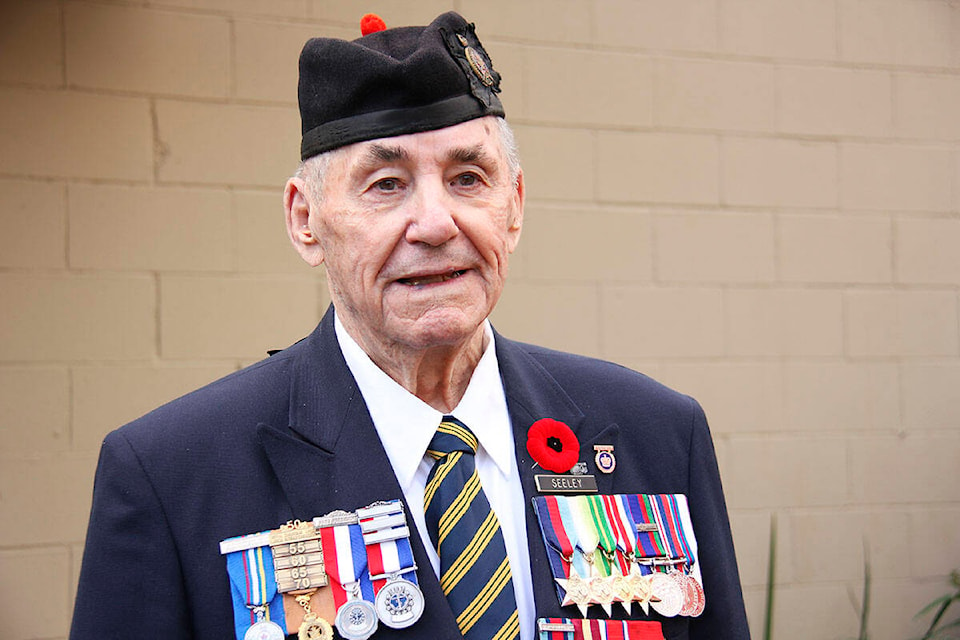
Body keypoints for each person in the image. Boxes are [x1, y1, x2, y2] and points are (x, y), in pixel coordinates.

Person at [70, 11, 749, 640]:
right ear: (305, 221)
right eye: (386, 184)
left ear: (512, 208)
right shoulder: (171, 476)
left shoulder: (655, 433)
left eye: (467, 177)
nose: (434, 223)